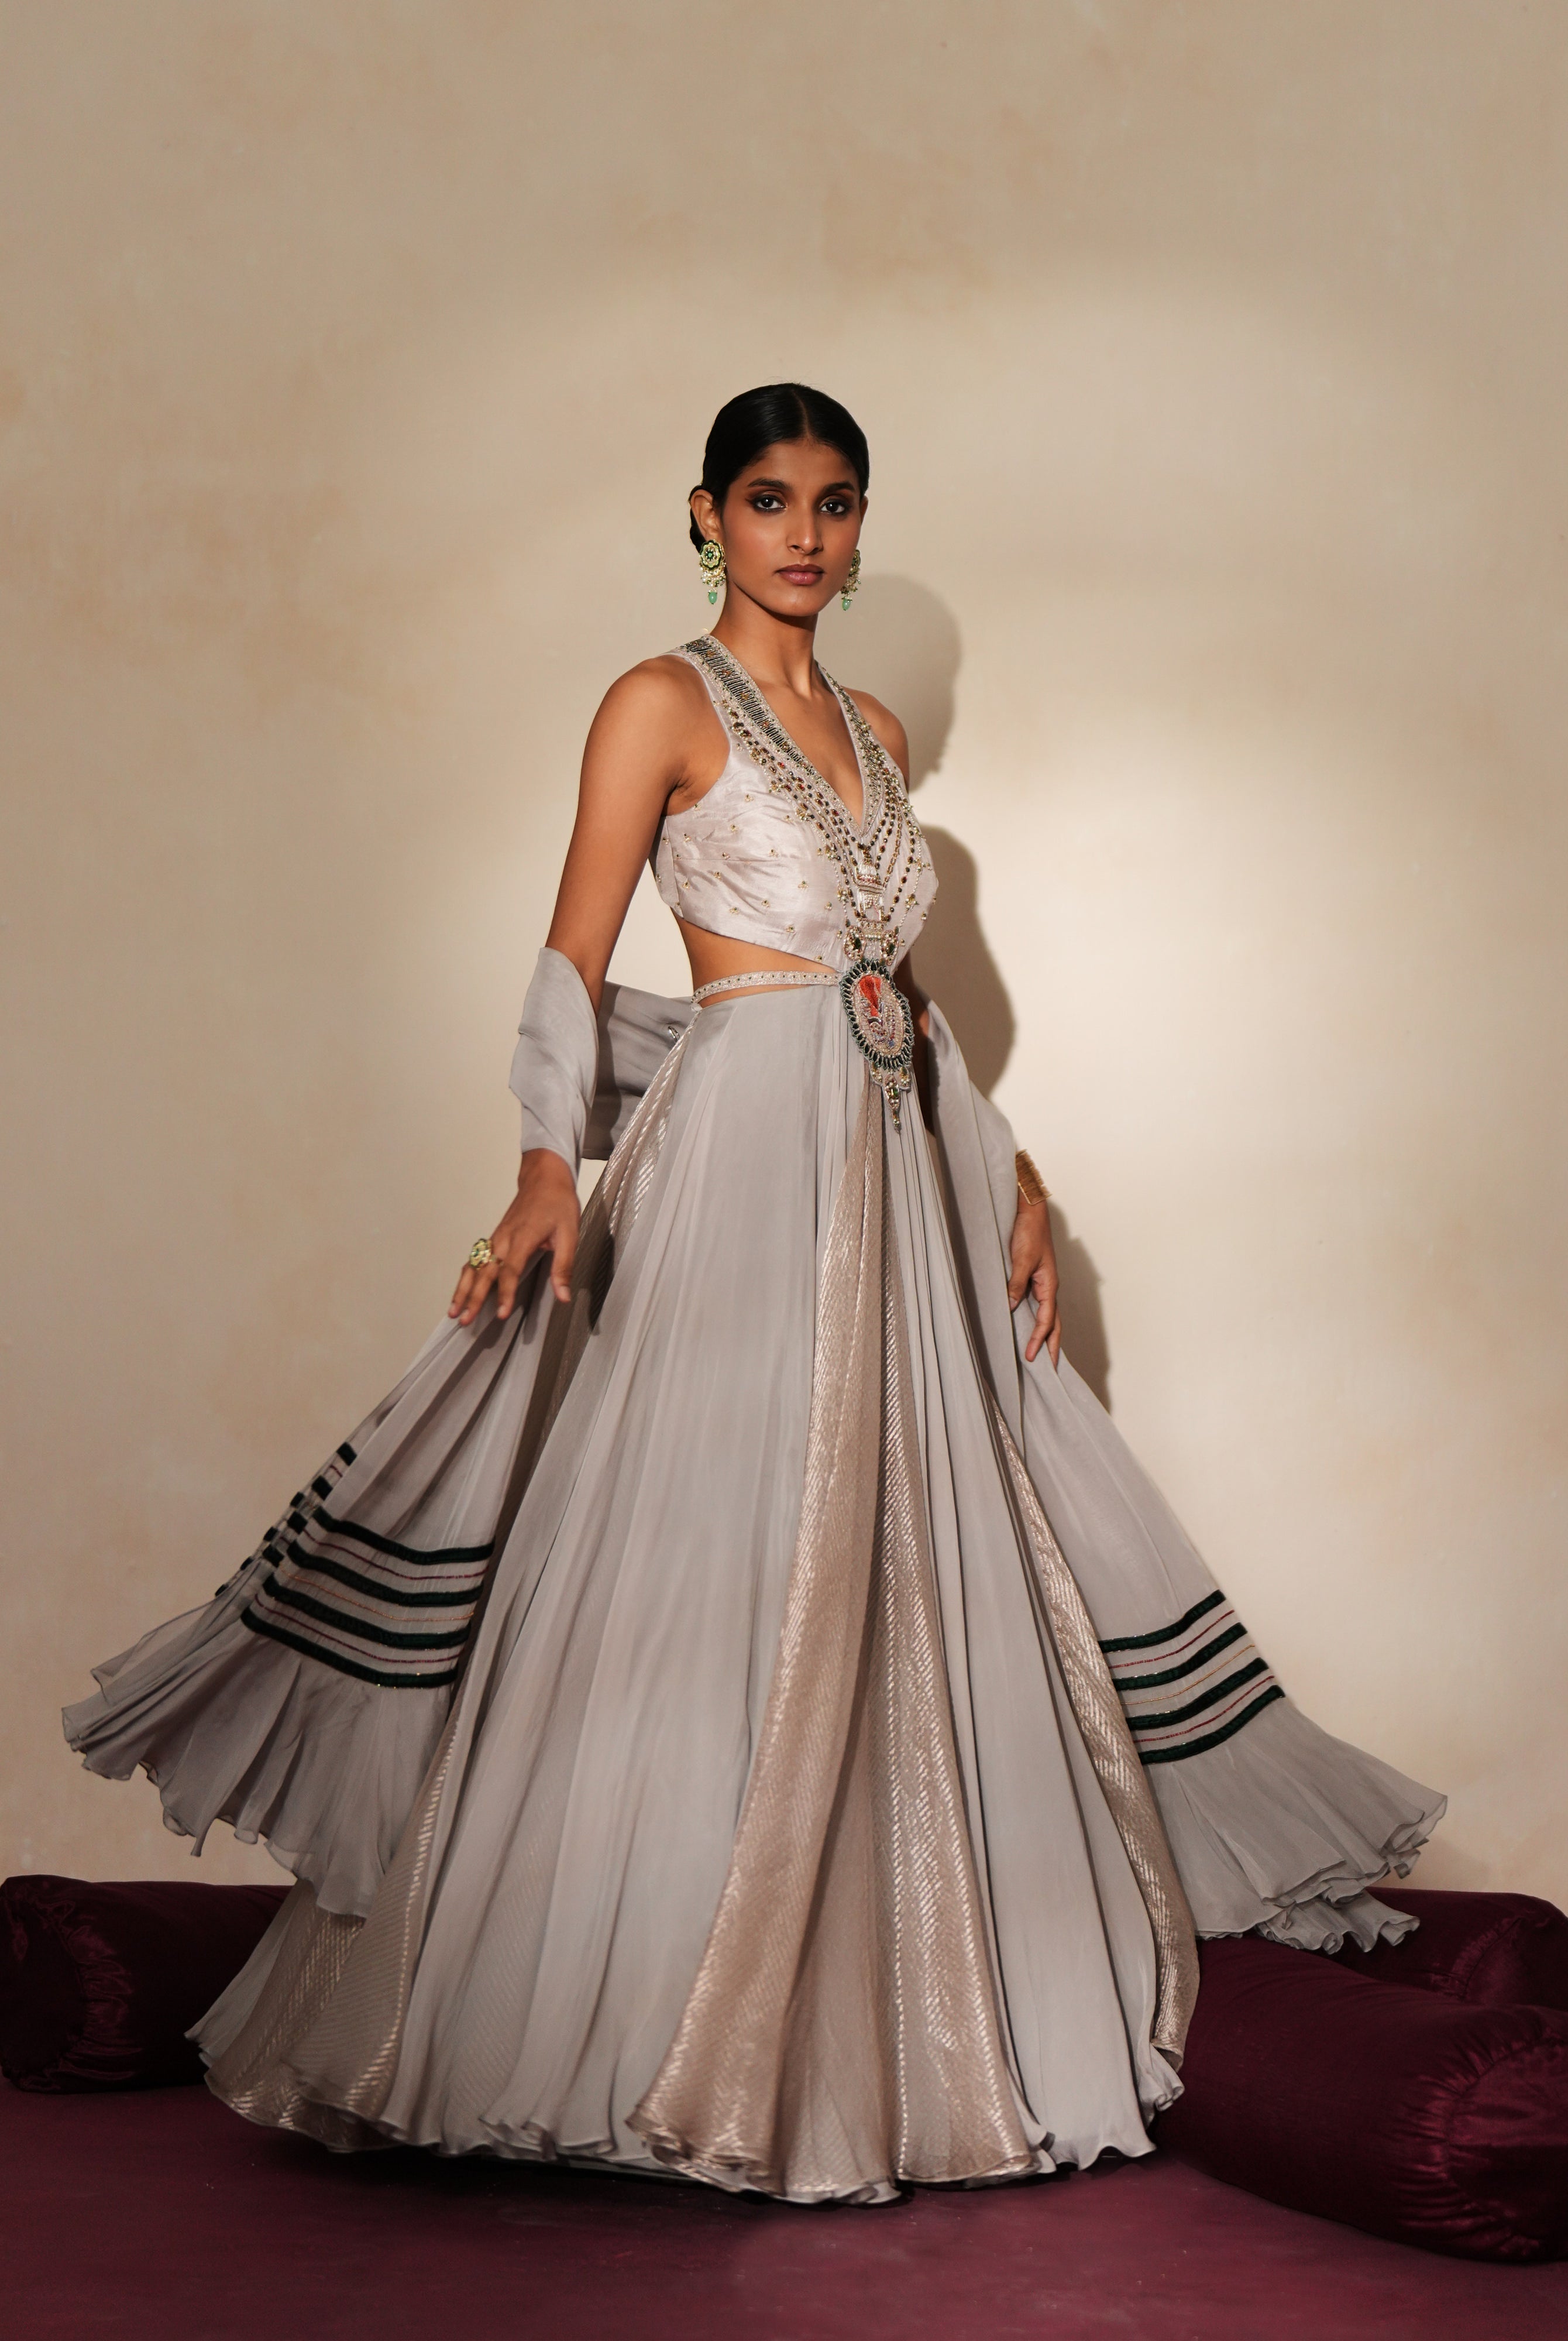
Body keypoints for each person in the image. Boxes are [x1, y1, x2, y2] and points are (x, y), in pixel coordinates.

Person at [65, 383, 1443, 2205]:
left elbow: (904, 992)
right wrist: (549, 1166)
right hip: (743, 1164)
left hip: (899, 1158)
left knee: (906, 1557)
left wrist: (1011, 1175)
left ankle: (897, 2032)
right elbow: (573, 958)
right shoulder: (660, 703)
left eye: (840, 502)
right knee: (713, 1543)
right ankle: (630, 2023)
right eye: (772, 499)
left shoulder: (871, 731)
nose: (809, 532)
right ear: (704, 515)